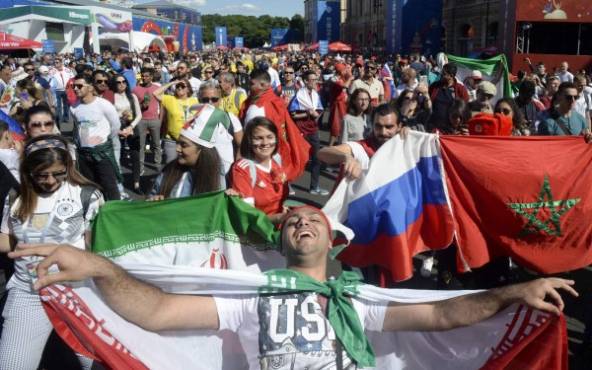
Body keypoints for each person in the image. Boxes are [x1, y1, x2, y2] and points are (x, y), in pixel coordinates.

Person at [8, 206, 578, 370]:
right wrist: (102, 268)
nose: (300, 223)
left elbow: (442, 318)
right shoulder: (249, 293)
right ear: (280, 241)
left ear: (332, 242)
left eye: (313, 219)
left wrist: (511, 293)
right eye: (289, 222)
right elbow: (156, 311)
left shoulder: (356, 298)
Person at [0, 134, 102, 370]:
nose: (50, 181)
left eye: (58, 173)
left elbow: (96, 249)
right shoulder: (16, 197)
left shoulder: (87, 195)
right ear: (28, 171)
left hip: (77, 292)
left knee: (100, 364)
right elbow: (6, 239)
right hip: (29, 292)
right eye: (41, 174)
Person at [149, 106, 225, 200]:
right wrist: (153, 200)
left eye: (184, 145)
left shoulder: (216, 176)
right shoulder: (170, 170)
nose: (177, 148)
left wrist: (231, 198)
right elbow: (150, 197)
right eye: (178, 143)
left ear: (202, 150)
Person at [70, 75, 121, 201]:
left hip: (102, 153)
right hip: (84, 154)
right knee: (90, 186)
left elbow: (115, 125)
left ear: (90, 87)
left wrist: (104, 140)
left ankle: (115, 214)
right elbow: (79, 127)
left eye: (79, 86)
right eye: (73, 86)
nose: (76, 89)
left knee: (110, 186)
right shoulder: (74, 107)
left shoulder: (104, 104)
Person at [230, 117, 289, 223]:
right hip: (256, 235)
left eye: (270, 137)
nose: (265, 143)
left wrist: (284, 210)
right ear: (249, 141)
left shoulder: (277, 159)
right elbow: (249, 216)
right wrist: (279, 218)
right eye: (258, 138)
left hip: (279, 229)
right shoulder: (242, 169)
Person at [288, 71, 328, 196]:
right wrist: (307, 113)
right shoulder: (299, 95)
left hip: (313, 130)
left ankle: (314, 187)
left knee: (317, 158)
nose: (315, 82)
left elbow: (319, 110)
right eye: (312, 80)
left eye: (316, 79)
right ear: (305, 81)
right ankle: (287, 184)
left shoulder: (315, 95)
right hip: (301, 131)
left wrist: (316, 115)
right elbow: (292, 114)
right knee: (297, 159)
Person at [153, 79, 199, 164]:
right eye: (178, 86)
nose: (180, 88)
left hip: (189, 141)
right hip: (172, 141)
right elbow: (155, 93)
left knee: (187, 167)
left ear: (188, 89)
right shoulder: (169, 99)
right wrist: (172, 83)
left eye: (183, 86)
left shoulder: (195, 101)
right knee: (171, 167)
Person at [112, 73, 142, 193]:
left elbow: (139, 114)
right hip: (117, 128)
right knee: (116, 157)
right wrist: (119, 128)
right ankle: (118, 185)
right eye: (118, 82)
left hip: (131, 127)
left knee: (135, 156)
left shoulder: (132, 96)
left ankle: (136, 183)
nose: (122, 84)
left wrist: (131, 126)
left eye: (124, 81)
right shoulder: (112, 96)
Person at [132, 67, 163, 172]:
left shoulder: (157, 88)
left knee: (156, 144)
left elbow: (162, 104)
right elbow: (133, 107)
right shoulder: (136, 89)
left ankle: (158, 163)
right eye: (143, 76)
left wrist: (161, 119)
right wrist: (142, 106)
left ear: (151, 77)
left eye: (147, 76)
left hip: (155, 119)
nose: (144, 78)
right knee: (141, 145)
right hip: (141, 120)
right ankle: (140, 167)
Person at [428, 63, 469, 131]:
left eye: (444, 74)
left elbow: (465, 109)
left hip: (451, 128)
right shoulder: (435, 86)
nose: (441, 74)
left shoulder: (460, 89)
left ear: (451, 76)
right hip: (434, 126)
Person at [48, 58, 74, 126]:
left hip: (66, 90)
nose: (56, 64)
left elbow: (72, 78)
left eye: (57, 62)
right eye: (55, 62)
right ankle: (60, 118)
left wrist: (70, 87)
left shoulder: (67, 70)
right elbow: (49, 79)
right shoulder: (52, 70)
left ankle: (66, 118)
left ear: (61, 63)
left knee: (66, 105)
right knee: (58, 106)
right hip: (57, 91)